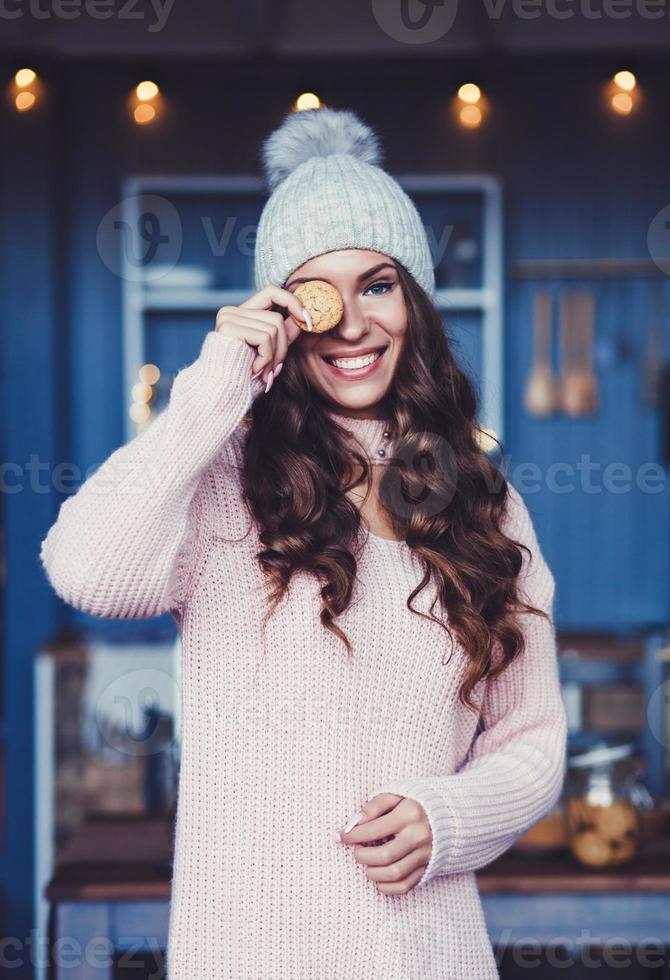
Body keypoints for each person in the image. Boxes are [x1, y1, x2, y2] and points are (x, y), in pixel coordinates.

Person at [40, 106, 567, 979]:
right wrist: (212, 393)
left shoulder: (484, 500)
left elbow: (534, 736)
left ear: (416, 300)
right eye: (320, 292)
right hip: (247, 954)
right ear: (284, 315)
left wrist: (452, 816)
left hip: (429, 955)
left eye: (380, 284)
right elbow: (84, 569)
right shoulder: (222, 479)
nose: (352, 324)